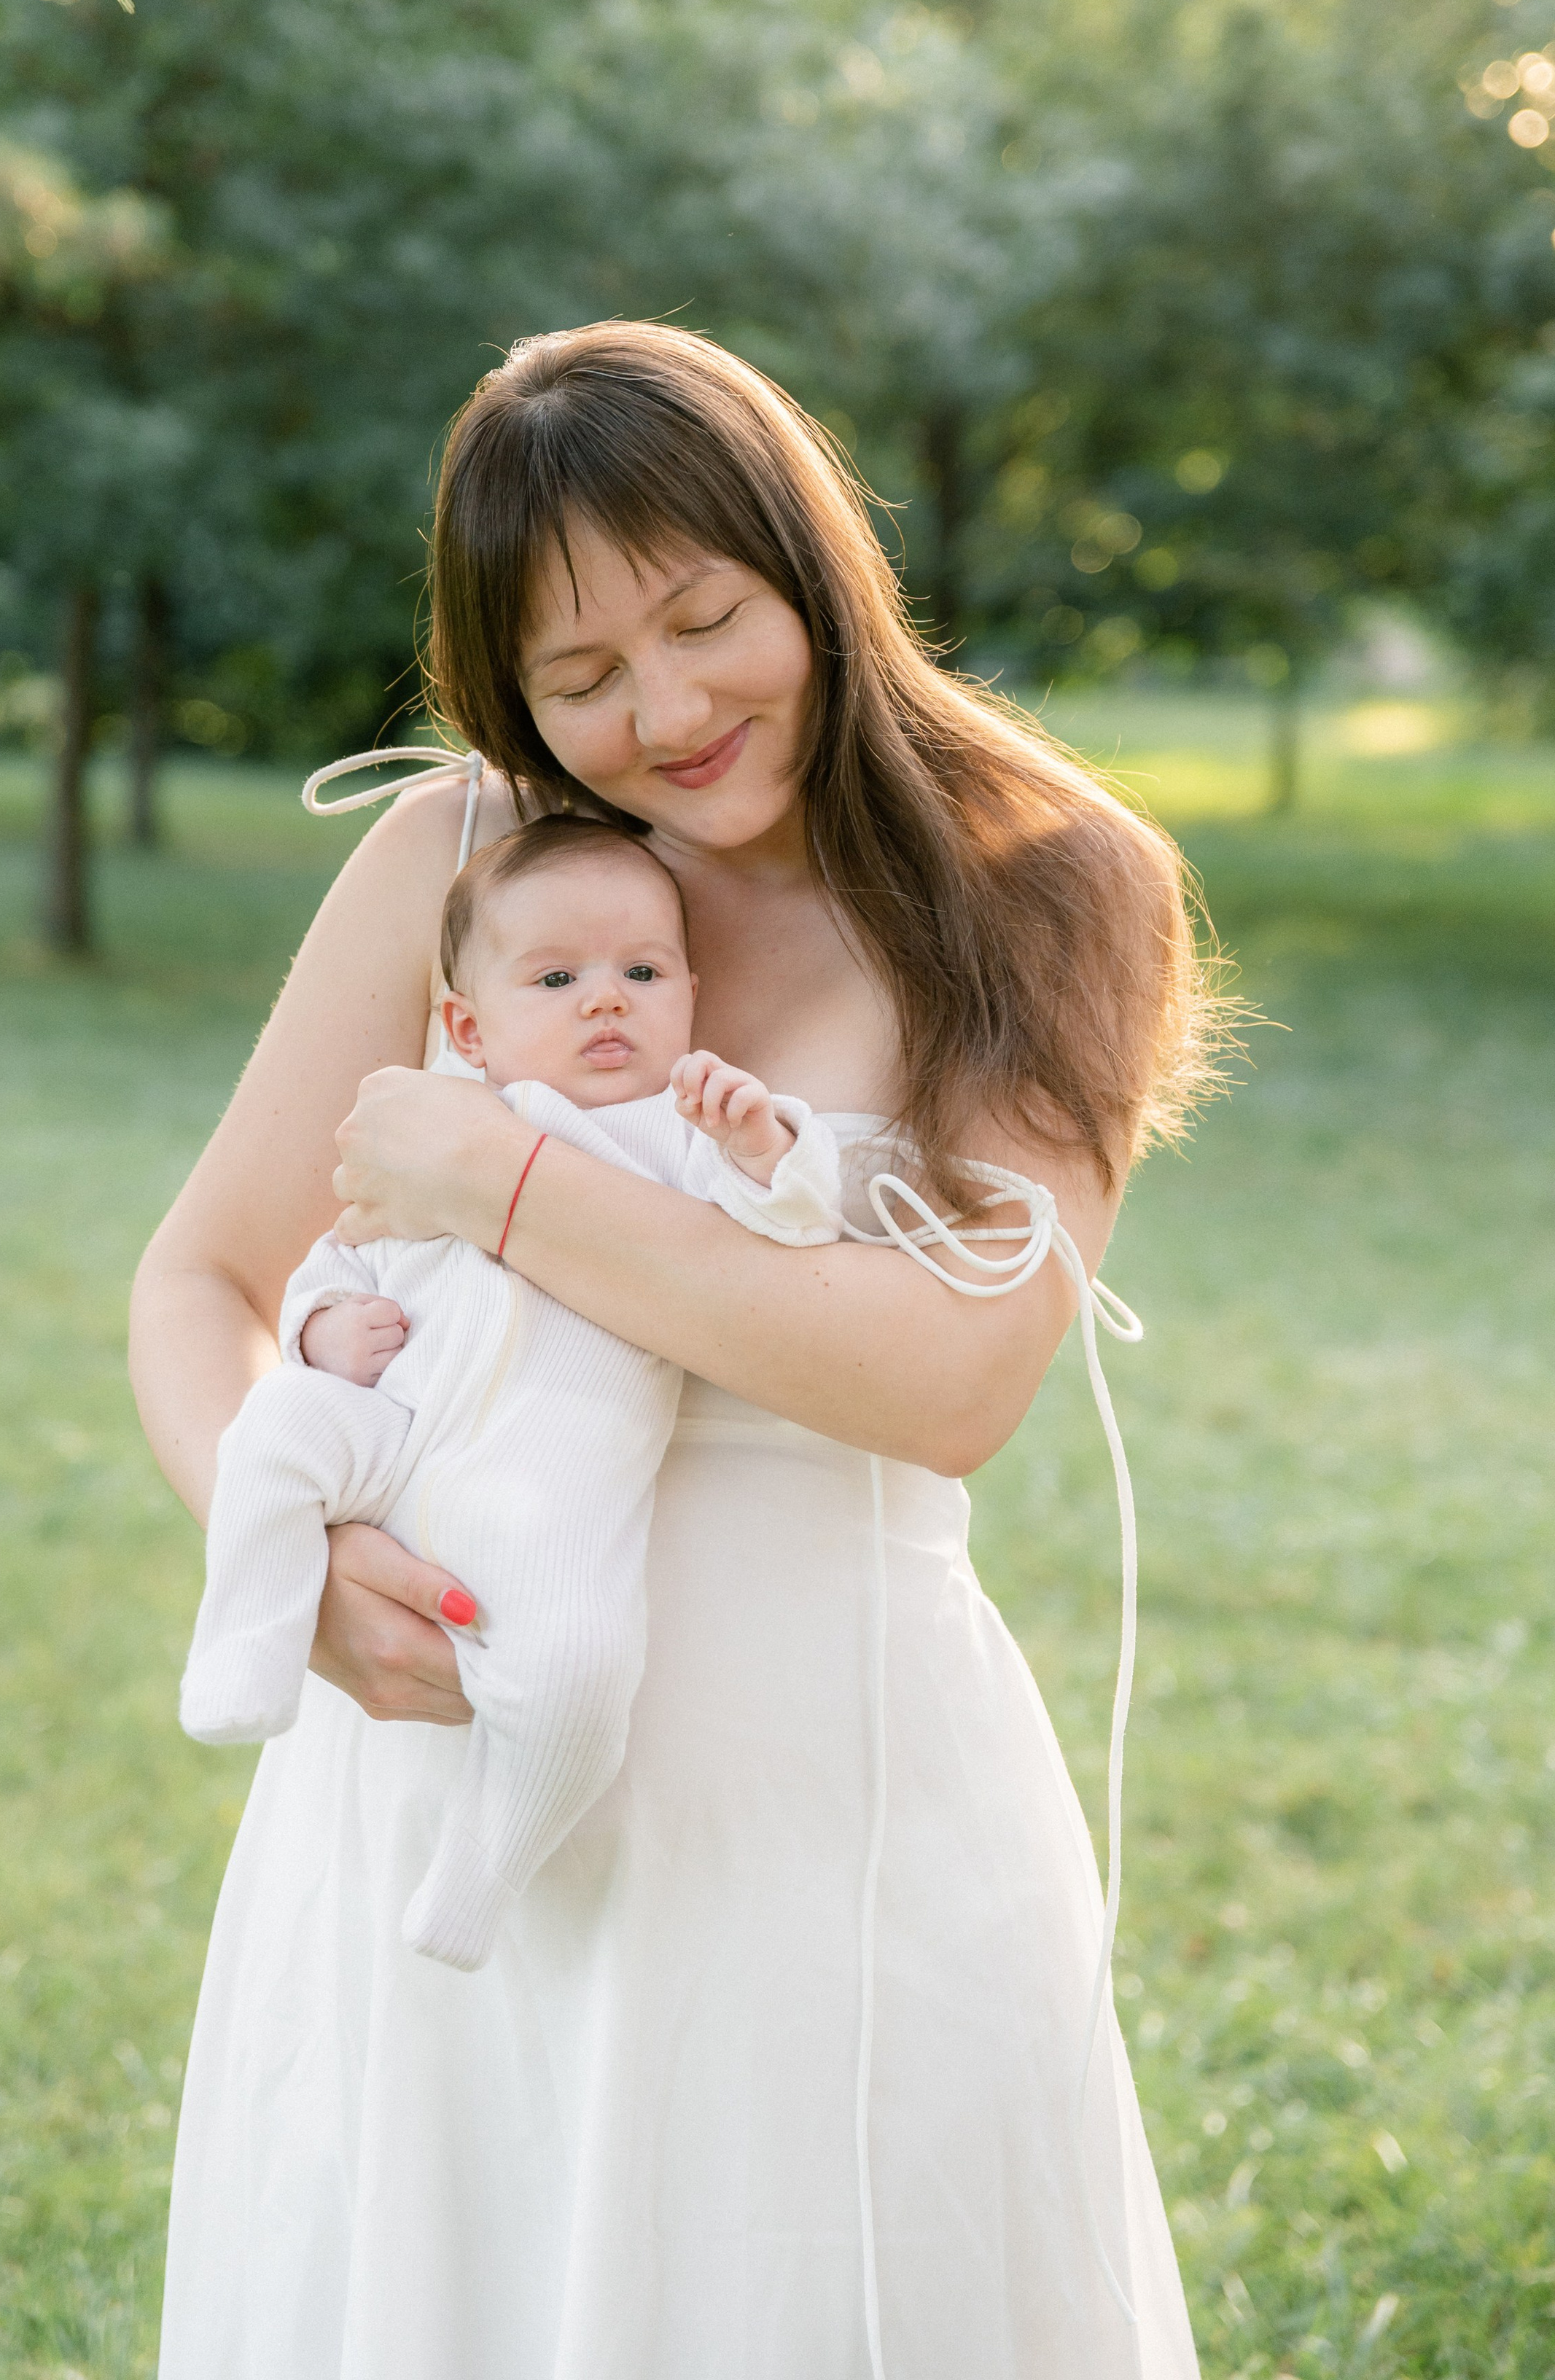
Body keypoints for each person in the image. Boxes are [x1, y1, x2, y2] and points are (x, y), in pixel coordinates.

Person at [131, 321, 1220, 2379]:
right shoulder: (458, 864)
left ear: (811, 567)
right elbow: (198, 1289)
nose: (668, 709)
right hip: (438, 1782)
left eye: (707, 620)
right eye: (580, 677)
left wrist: (507, 1185)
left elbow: (947, 1380)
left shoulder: (1048, 886)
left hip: (823, 1804)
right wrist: (289, 1557)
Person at [178, 811, 843, 1973]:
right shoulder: (439, 1127)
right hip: (394, 1438)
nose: (607, 1000)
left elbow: (786, 1232)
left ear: (691, 991)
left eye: (642, 973)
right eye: (558, 977)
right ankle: (247, 1640)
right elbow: (337, 1257)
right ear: (468, 1029)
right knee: (275, 1429)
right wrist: (324, 1330)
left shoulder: (671, 1137)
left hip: (547, 1493)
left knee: (582, 1677)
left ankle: (487, 1863)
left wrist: (764, 1146)